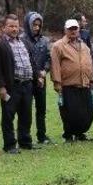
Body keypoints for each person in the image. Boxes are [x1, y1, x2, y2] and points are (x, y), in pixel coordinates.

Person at [0, 14, 37, 153]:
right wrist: (1, 86)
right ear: (4, 27)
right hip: (12, 86)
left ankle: (25, 141)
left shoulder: (24, 42)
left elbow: (32, 62)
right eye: (11, 26)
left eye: (16, 26)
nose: (14, 29)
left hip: (27, 85)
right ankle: (10, 145)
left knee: (26, 115)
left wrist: (37, 78)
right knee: (8, 116)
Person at [50, 18, 93, 142]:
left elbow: (89, 63)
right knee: (70, 113)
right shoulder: (58, 46)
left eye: (75, 28)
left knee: (87, 112)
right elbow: (55, 65)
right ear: (65, 30)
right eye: (70, 29)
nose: (73, 31)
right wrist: (57, 82)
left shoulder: (84, 46)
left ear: (79, 30)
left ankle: (80, 133)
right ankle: (69, 135)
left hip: (84, 84)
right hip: (68, 85)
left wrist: (91, 79)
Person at [21, 11, 53, 145]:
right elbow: (25, 60)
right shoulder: (21, 40)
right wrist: (37, 75)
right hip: (27, 80)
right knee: (25, 110)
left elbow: (48, 58)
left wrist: (45, 71)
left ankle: (42, 135)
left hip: (41, 80)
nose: (36, 28)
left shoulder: (44, 40)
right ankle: (25, 137)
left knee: (41, 109)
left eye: (39, 25)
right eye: (34, 25)